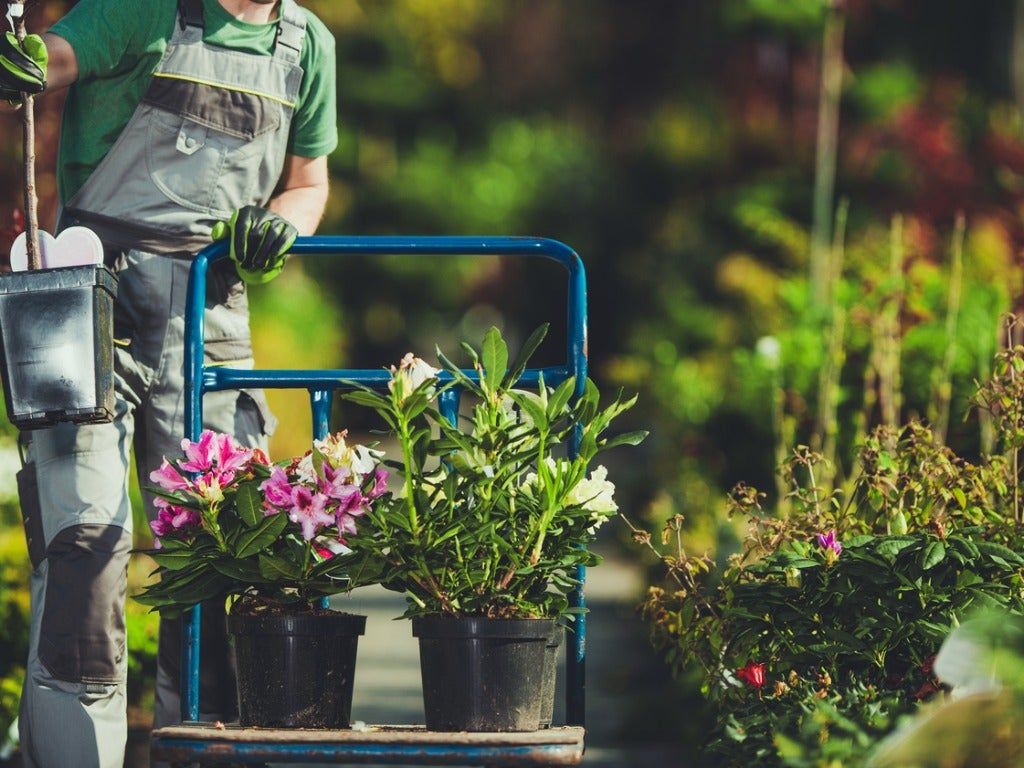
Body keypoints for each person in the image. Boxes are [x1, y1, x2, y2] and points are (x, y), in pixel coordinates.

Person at [0, 0, 337, 765]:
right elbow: (55, 55)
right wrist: (20, 60)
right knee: (85, 543)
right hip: (91, 307)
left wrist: (286, 221)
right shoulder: (142, 9)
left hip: (212, 312)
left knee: (218, 554)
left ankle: (198, 745)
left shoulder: (307, 45)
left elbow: (308, 181)